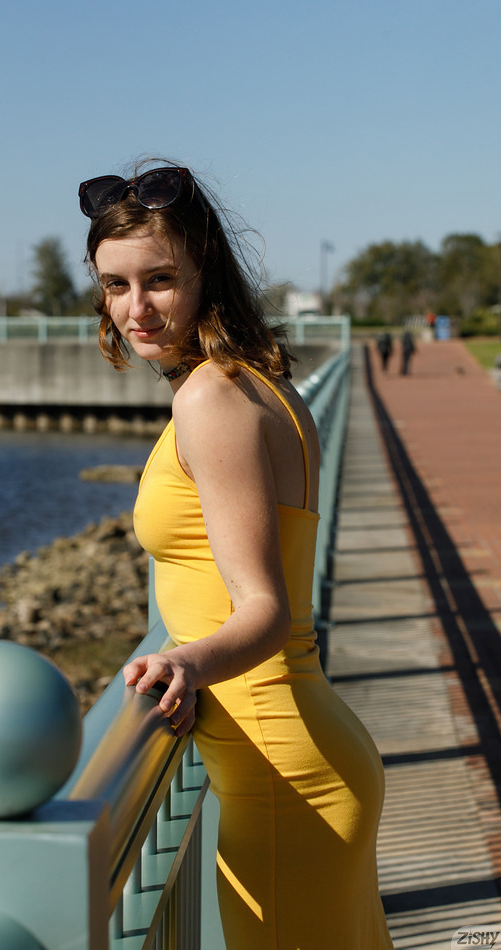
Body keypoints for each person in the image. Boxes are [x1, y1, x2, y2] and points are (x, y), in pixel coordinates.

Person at [79, 161, 393, 949]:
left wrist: (185, 664)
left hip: (281, 775)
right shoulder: (259, 383)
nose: (135, 309)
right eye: (115, 285)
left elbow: (262, 609)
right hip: (305, 750)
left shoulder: (210, 399)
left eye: (158, 279)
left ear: (204, 273)